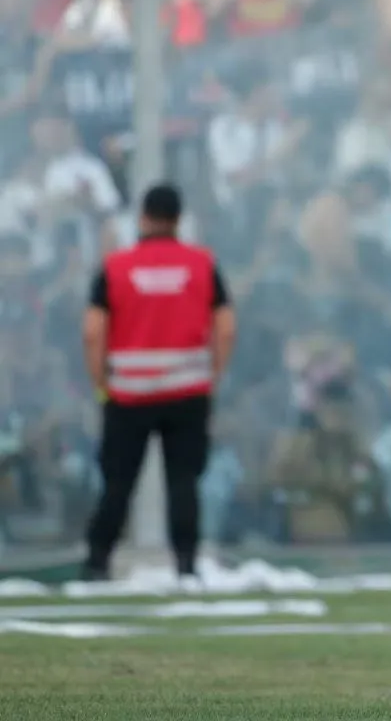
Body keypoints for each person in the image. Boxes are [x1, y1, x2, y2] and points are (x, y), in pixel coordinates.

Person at [80, 183, 236, 581]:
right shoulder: (201, 264)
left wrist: (102, 382)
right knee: (183, 481)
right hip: (188, 390)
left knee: (117, 482)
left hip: (128, 392)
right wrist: (212, 374)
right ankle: (185, 565)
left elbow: (93, 331)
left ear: (143, 217)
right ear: (179, 220)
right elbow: (226, 326)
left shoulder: (116, 267)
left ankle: (97, 563)